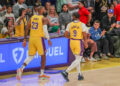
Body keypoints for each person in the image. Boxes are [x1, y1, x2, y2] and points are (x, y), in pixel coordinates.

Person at [16, 6, 52, 80]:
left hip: (31, 38)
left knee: (31, 56)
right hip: (39, 38)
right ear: (41, 10)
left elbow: (27, 28)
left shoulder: (32, 17)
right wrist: (48, 38)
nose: (44, 10)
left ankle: (21, 69)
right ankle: (42, 74)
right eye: (44, 9)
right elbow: (45, 30)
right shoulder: (43, 18)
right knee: (43, 56)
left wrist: (25, 39)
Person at [61, 12, 88, 81]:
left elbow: (65, 35)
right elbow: (84, 35)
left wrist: (71, 37)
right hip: (78, 42)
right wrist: (85, 42)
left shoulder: (69, 24)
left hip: (72, 41)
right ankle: (66, 71)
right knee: (78, 59)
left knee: (77, 59)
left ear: (74, 17)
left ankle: (79, 75)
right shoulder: (82, 24)